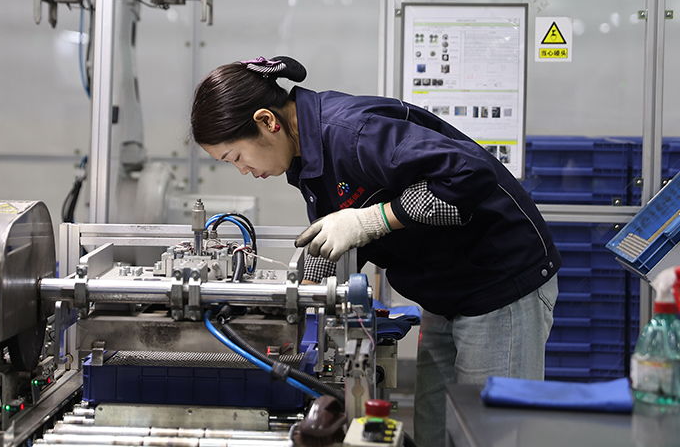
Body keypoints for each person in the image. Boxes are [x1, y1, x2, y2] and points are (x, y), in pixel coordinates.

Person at [190, 56, 560, 447]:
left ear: (267, 121)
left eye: (236, 157)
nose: (244, 170)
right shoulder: (307, 155)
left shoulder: (353, 132)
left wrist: (372, 221)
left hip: (499, 283)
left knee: (489, 435)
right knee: (436, 429)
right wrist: (302, 289)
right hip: (447, 290)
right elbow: (340, 225)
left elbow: (470, 173)